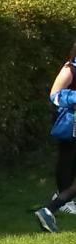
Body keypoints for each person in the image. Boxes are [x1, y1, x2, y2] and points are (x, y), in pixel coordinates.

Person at [35, 43, 76, 233]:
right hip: (71, 123)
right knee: (66, 160)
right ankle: (52, 207)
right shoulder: (71, 68)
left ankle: (49, 209)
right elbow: (55, 95)